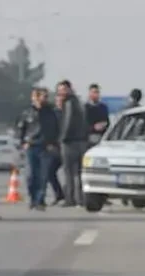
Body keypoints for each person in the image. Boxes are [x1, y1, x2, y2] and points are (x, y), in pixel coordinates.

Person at [17, 87, 60, 211]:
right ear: (35, 97)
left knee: (43, 176)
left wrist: (53, 143)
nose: (44, 98)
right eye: (42, 96)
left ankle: (40, 200)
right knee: (31, 175)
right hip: (31, 146)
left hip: (45, 147)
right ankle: (33, 199)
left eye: (46, 96)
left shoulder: (50, 112)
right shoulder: (27, 112)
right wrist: (23, 143)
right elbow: (21, 129)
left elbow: (56, 129)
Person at [56, 79, 88, 207]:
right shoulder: (78, 102)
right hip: (81, 141)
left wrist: (62, 138)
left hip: (70, 142)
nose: (61, 92)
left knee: (69, 172)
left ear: (69, 89)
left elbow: (67, 122)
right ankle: (80, 198)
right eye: (59, 90)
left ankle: (70, 198)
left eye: (63, 90)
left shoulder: (68, 103)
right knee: (78, 173)